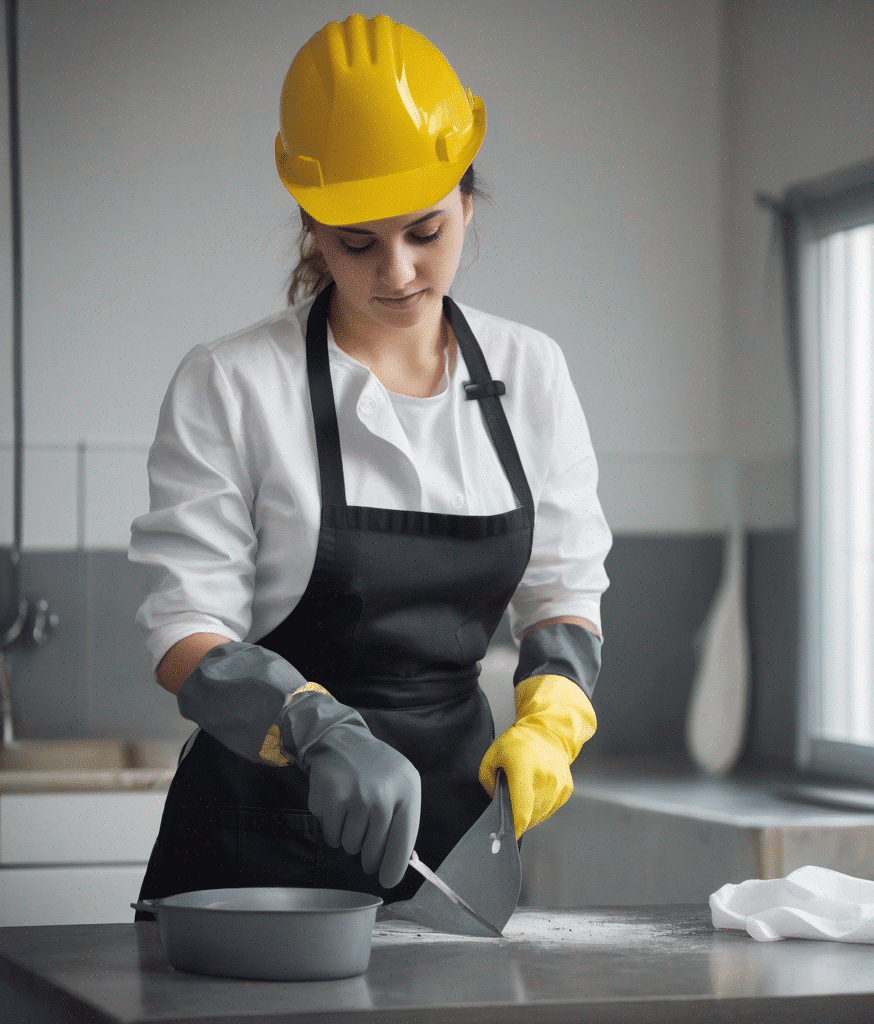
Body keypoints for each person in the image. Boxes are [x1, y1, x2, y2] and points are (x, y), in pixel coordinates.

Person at [129, 13, 611, 910]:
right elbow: (181, 628)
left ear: (467, 201)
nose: (396, 271)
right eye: (357, 242)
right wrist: (314, 729)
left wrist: (549, 723)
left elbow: (563, 592)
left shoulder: (529, 371)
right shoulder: (232, 381)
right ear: (314, 228)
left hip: (456, 848)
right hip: (256, 839)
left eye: (425, 232)